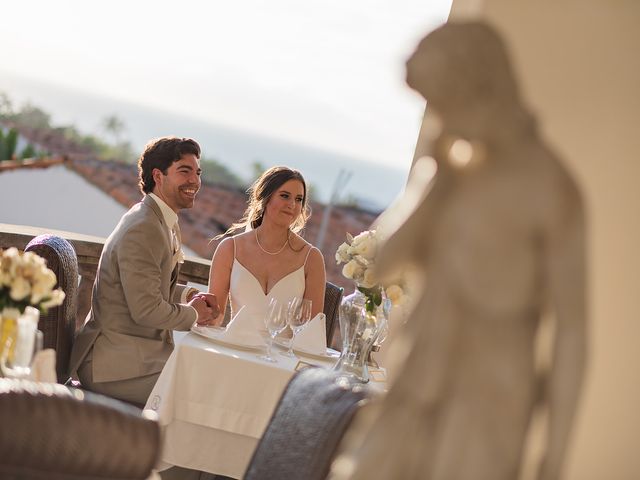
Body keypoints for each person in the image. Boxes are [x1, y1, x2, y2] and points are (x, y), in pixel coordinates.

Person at [332, 22, 587, 480]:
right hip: (419, 376)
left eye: (442, 101)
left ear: (480, 89)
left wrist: (554, 456)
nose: (438, 115)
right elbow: (381, 266)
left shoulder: (549, 186)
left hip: (489, 397)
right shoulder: (451, 172)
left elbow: (572, 331)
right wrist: (434, 181)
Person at [69, 136, 219, 407]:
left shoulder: (163, 219)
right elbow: (146, 309)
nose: (195, 181)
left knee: (209, 379)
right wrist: (195, 314)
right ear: (158, 176)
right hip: (113, 365)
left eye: (197, 172)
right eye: (184, 171)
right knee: (201, 397)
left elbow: (150, 285)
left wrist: (190, 296)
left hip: (138, 354)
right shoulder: (144, 226)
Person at [207, 166, 326, 326]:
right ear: (265, 198)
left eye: (299, 199)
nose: (292, 204)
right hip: (235, 348)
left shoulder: (311, 258)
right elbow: (213, 316)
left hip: (282, 351)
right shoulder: (230, 248)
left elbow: (311, 328)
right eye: (285, 196)